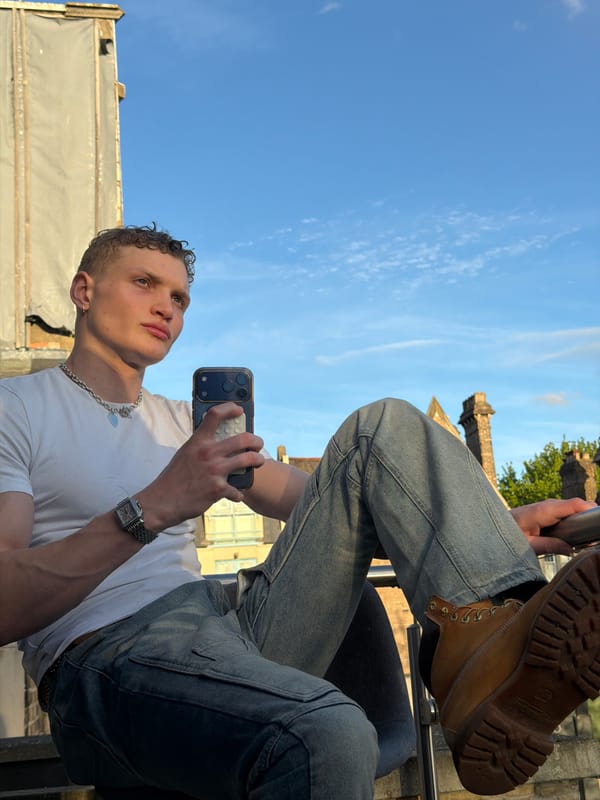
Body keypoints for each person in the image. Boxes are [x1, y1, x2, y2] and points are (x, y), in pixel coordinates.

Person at [0, 224, 597, 800]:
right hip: (103, 659)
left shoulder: (189, 423)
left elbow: (341, 505)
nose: (167, 308)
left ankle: (485, 651)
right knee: (329, 731)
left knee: (381, 428)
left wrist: (485, 529)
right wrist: (154, 506)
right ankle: (479, 668)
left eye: (180, 298)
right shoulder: (16, 408)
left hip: (223, 626)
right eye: (144, 283)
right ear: (84, 291)